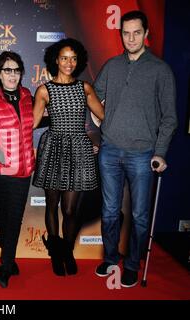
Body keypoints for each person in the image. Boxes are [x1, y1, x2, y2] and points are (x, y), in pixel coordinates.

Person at [93, 10, 177, 287]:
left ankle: (131, 263)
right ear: (121, 35)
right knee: (108, 211)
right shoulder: (112, 65)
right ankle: (110, 258)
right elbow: (95, 98)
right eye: (126, 33)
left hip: (143, 154)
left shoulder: (160, 70)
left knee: (140, 216)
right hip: (110, 151)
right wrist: (99, 133)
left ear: (146, 34)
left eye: (136, 32)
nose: (131, 38)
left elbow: (169, 118)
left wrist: (160, 152)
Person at [32, 38, 105, 276]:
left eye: (73, 58)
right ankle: (55, 252)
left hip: (78, 149)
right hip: (53, 147)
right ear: (56, 59)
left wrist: (96, 141)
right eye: (64, 58)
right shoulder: (44, 90)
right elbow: (32, 122)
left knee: (71, 210)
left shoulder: (84, 88)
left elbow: (103, 115)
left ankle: (67, 251)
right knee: (52, 204)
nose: (69, 63)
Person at [0, 51, 34, 288]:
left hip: (24, 170)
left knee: (14, 216)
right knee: (4, 214)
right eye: (7, 70)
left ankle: (5, 265)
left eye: (16, 70)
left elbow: (34, 123)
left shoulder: (28, 96)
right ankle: (8, 260)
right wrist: (3, 161)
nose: (12, 75)